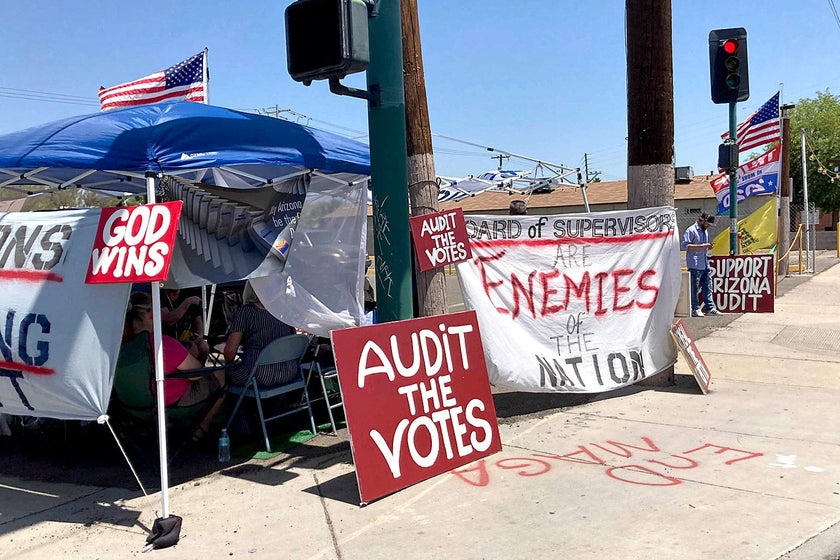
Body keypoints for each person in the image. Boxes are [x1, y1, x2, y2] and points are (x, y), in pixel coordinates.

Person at [124, 292, 226, 442]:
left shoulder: (119, 345)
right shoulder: (162, 343)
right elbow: (196, 373)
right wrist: (189, 353)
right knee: (221, 374)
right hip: (169, 403)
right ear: (151, 315)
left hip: (130, 405)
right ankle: (202, 427)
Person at [222, 282, 298, 388]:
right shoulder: (284, 310)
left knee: (218, 375)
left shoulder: (247, 311)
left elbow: (230, 351)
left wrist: (228, 365)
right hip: (289, 371)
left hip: (257, 375)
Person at [682, 212, 722, 317]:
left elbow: (704, 246)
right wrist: (702, 246)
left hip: (704, 262)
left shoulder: (705, 231)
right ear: (702, 220)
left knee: (708, 286)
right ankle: (695, 308)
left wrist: (708, 247)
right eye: (707, 223)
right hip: (694, 263)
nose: (708, 226)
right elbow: (685, 245)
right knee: (694, 288)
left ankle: (710, 307)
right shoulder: (691, 230)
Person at [160, 288, 210, 364]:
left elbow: (198, 321)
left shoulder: (187, 293)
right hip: (169, 338)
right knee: (193, 351)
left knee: (204, 347)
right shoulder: (162, 296)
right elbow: (168, 320)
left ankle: (200, 369)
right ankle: (190, 372)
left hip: (188, 336)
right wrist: (187, 302)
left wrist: (199, 334)